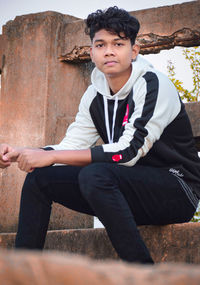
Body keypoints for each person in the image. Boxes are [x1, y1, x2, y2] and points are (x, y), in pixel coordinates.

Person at [0, 6, 200, 264]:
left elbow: (128, 152)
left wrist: (50, 156)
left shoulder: (153, 84)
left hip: (176, 190)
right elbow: (71, 146)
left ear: (134, 50)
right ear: (91, 52)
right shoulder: (95, 94)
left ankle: (145, 275)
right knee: (40, 178)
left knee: (96, 174)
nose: (109, 51)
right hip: (125, 191)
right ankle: (21, 273)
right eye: (101, 44)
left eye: (118, 43)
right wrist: (24, 153)